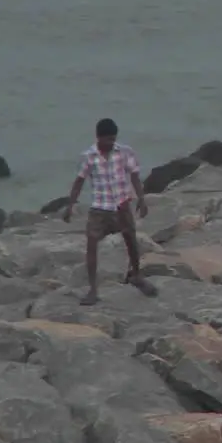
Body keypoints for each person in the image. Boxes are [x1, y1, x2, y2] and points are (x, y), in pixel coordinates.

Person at [61, 118, 156, 305]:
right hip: (99, 208)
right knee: (91, 244)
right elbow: (79, 181)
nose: (111, 143)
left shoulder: (124, 152)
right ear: (98, 138)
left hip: (121, 204)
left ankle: (137, 275)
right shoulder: (88, 156)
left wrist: (142, 199)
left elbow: (135, 176)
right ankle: (93, 290)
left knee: (131, 238)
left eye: (113, 139)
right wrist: (70, 205)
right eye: (107, 140)